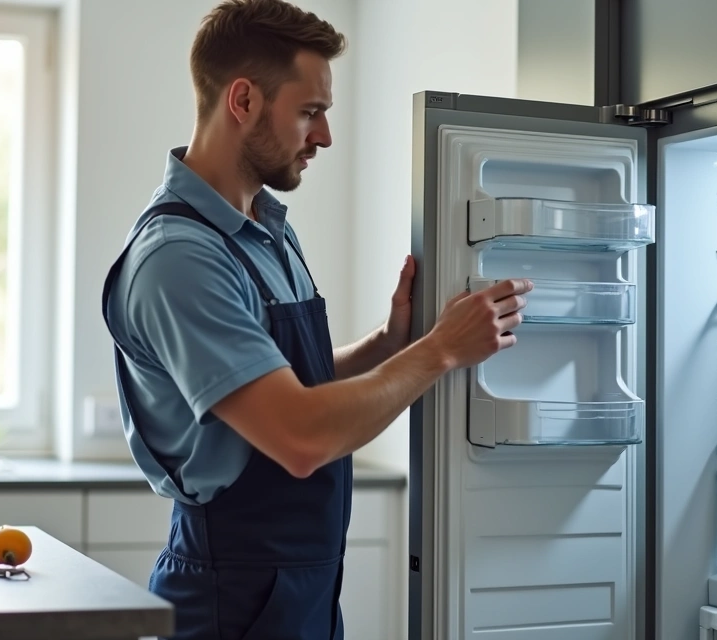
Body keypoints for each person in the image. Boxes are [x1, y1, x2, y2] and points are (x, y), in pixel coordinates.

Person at [100, 0, 532, 638]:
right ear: (243, 101)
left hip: (302, 585)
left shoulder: (265, 230)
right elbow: (298, 437)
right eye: (310, 112)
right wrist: (439, 350)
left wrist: (388, 345)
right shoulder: (180, 257)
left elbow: (279, 381)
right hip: (231, 595)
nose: (325, 135)